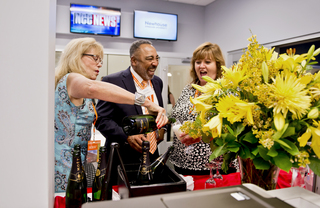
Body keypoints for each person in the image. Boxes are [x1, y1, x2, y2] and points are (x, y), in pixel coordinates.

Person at [54, 37, 167, 193]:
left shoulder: (76, 87)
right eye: (95, 58)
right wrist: (146, 102)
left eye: (100, 59)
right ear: (76, 56)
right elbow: (93, 88)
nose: (99, 63)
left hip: (77, 161)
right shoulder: (71, 79)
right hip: (65, 165)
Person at [169, 42, 238, 175]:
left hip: (212, 167)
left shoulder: (226, 91)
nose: (201, 66)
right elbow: (175, 116)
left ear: (218, 65)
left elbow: (232, 129)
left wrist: (201, 135)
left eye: (207, 61)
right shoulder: (188, 89)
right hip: (182, 163)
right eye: (198, 62)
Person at [96, 39, 166, 165]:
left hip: (152, 156)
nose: (155, 63)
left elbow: (159, 112)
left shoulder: (157, 82)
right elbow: (101, 120)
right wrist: (126, 136)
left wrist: (163, 129)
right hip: (122, 159)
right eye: (150, 59)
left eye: (157, 58)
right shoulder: (112, 81)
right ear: (134, 61)